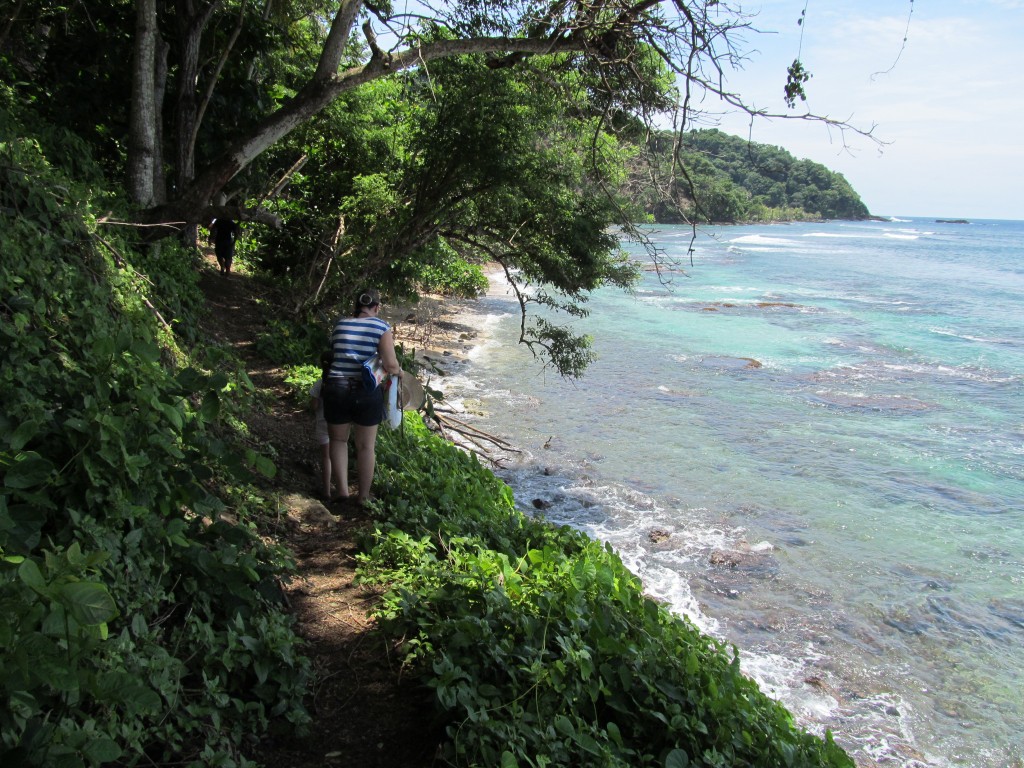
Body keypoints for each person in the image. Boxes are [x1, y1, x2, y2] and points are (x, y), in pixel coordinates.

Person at [321, 289, 401, 505]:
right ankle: (363, 497)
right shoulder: (381, 326)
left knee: (338, 440)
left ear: (356, 306)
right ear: (376, 307)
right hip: (365, 390)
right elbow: (390, 364)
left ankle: (342, 493)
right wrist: (401, 373)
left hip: (336, 387)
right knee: (366, 447)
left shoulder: (340, 324)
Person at [308, 350, 333, 500]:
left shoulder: (319, 383)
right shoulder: (339, 382)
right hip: (338, 423)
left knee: (326, 457)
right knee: (337, 453)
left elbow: (314, 406)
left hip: (322, 424)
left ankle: (327, 490)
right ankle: (340, 485)